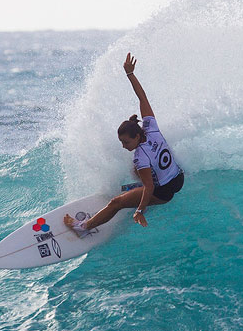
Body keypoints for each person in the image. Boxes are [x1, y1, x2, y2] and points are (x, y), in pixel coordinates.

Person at [65, 53, 185, 235]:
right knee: (138, 172)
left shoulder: (140, 157)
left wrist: (140, 210)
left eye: (126, 142)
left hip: (163, 192)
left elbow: (150, 187)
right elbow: (143, 98)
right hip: (178, 178)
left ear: (137, 136)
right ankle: (136, 191)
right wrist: (130, 74)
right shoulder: (151, 127)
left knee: (116, 203)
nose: (123, 146)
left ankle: (83, 227)